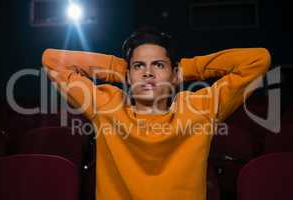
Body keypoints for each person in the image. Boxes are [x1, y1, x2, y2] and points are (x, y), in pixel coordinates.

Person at [42, 27, 271, 200]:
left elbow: (259, 59)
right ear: (128, 75)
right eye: (139, 66)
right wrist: (119, 69)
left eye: (159, 65)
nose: (148, 73)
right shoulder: (108, 107)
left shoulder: (199, 109)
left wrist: (187, 69)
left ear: (174, 75)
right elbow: (51, 60)